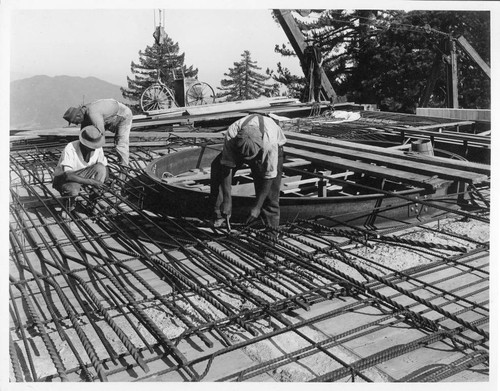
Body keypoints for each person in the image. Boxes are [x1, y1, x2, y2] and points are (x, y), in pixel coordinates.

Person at [210, 114, 286, 229]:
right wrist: (227, 200)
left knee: (270, 195)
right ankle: (219, 215)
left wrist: (257, 207)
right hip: (242, 145)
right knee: (217, 169)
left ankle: (271, 231)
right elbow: (227, 167)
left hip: (271, 147)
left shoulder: (269, 145)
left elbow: (269, 177)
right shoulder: (232, 134)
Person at [52, 125, 108, 212]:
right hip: (64, 179)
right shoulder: (70, 148)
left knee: (101, 168)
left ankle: (92, 202)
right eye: (90, 147)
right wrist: (92, 182)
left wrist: (103, 182)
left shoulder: (98, 147)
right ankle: (68, 206)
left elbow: (103, 166)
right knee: (73, 190)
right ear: (83, 143)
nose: (93, 149)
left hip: (83, 174)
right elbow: (68, 175)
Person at [63, 99, 133, 166]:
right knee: (89, 139)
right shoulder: (85, 115)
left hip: (123, 114)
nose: (76, 124)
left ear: (78, 116)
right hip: (110, 116)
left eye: (75, 122)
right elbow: (83, 136)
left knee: (120, 144)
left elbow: (100, 135)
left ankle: (124, 168)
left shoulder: (93, 113)